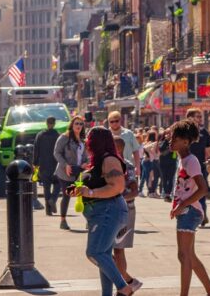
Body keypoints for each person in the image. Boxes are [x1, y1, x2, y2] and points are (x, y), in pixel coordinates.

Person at [69, 125, 139, 296]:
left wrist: (90, 192)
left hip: (108, 212)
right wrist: (79, 189)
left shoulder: (109, 160)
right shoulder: (99, 161)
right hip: (102, 213)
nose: (86, 142)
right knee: (104, 255)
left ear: (96, 141)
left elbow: (117, 187)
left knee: (95, 252)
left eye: (89, 139)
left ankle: (125, 287)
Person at [166, 121, 210, 296]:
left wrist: (182, 205)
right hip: (185, 211)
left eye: (174, 139)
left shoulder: (191, 161)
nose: (170, 141)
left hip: (190, 211)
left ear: (186, 142)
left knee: (184, 256)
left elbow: (203, 189)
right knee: (188, 256)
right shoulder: (182, 160)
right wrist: (177, 206)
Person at [112, 137, 141, 290]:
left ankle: (124, 286)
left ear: (119, 148)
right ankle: (127, 282)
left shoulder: (127, 166)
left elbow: (135, 191)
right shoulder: (109, 164)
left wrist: (120, 199)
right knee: (105, 251)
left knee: (118, 250)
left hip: (125, 210)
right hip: (112, 211)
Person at [183, 108, 210, 226]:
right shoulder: (183, 131)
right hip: (186, 168)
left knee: (202, 191)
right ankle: (187, 215)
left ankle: (202, 215)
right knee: (187, 192)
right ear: (190, 117)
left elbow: (209, 148)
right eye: (198, 116)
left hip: (200, 167)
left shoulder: (203, 132)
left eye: (201, 116)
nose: (200, 119)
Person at [54, 116, 86, 230]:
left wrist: (85, 163)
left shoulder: (83, 140)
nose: (78, 126)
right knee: (67, 195)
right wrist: (65, 165)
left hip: (79, 172)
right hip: (65, 172)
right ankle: (63, 220)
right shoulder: (64, 137)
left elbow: (85, 155)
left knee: (84, 195)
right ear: (72, 125)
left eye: (81, 124)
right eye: (76, 123)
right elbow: (56, 153)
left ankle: (89, 220)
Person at [35, 117, 62, 215]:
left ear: (46, 123)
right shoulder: (58, 135)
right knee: (57, 184)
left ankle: (48, 210)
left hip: (43, 164)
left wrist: (35, 163)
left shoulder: (40, 135)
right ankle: (53, 199)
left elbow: (36, 150)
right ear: (54, 123)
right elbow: (61, 150)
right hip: (55, 164)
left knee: (46, 187)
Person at [142, 131, 160, 198]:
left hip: (146, 161)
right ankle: (151, 192)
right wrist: (154, 155)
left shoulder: (146, 143)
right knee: (152, 178)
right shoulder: (154, 143)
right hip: (151, 161)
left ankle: (150, 192)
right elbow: (150, 149)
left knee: (148, 177)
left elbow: (144, 149)